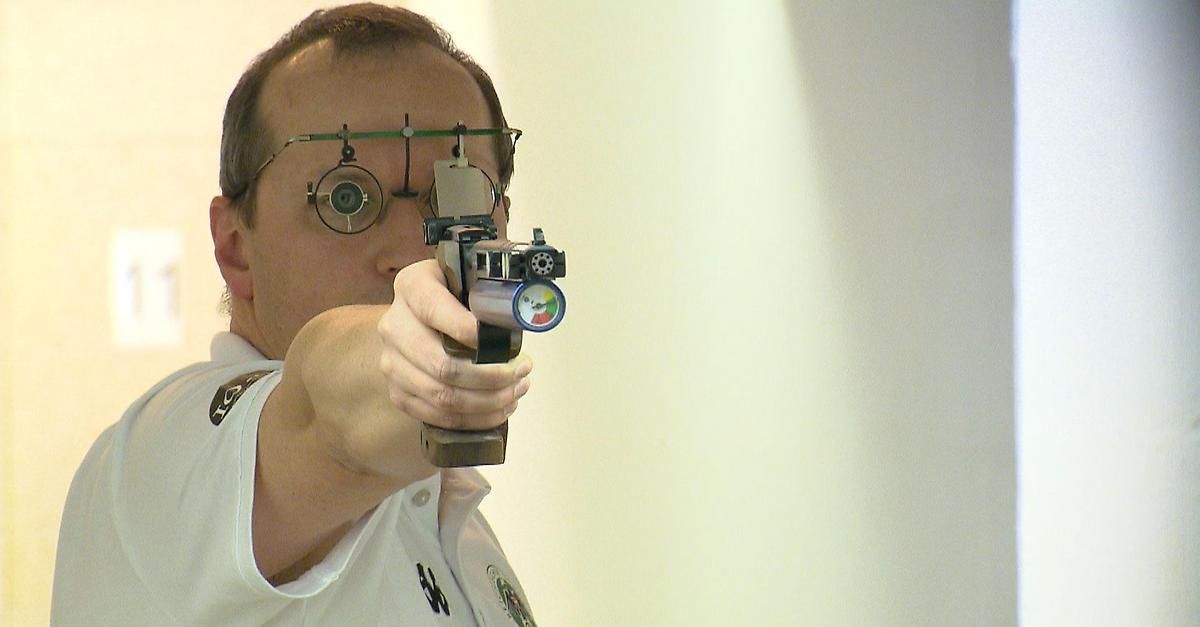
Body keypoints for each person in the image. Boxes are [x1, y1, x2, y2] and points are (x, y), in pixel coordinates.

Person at [51, 4, 539, 625]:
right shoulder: (162, 465)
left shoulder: (451, 518)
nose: (411, 251)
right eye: (345, 199)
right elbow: (321, 409)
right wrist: (402, 364)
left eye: (460, 196)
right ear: (236, 246)